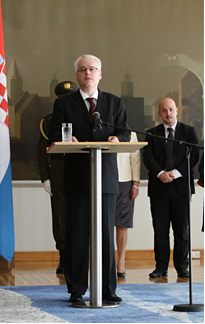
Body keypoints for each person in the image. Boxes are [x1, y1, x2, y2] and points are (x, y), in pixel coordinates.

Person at [48, 54, 130, 303]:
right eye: (83, 70)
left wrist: (118, 139)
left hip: (105, 179)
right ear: (77, 75)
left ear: (100, 74)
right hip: (78, 178)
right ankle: (76, 290)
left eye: (93, 69)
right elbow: (55, 133)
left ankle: (108, 290)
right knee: (78, 237)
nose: (88, 73)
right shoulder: (65, 104)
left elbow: (125, 132)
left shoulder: (114, 103)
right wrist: (66, 140)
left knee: (105, 236)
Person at [143, 97, 199, 279]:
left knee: (182, 230)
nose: (168, 114)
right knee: (160, 230)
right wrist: (161, 173)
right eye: (164, 111)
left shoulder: (188, 132)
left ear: (176, 111)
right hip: (159, 187)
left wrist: (174, 173)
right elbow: (148, 158)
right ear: (159, 113)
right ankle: (161, 267)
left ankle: (182, 267)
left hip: (181, 187)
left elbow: (194, 156)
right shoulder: (152, 133)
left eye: (171, 110)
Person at [38, 80, 77, 274]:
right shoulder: (49, 121)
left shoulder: (83, 118)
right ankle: (64, 258)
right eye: (63, 98)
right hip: (59, 175)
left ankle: (79, 256)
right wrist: (45, 177)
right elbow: (41, 152)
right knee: (61, 220)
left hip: (81, 175)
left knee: (79, 218)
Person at [115, 131, 140, 278]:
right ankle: (106, 262)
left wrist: (135, 184)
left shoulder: (131, 135)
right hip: (103, 180)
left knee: (122, 224)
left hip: (125, 181)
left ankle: (121, 261)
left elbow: (135, 159)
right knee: (102, 224)